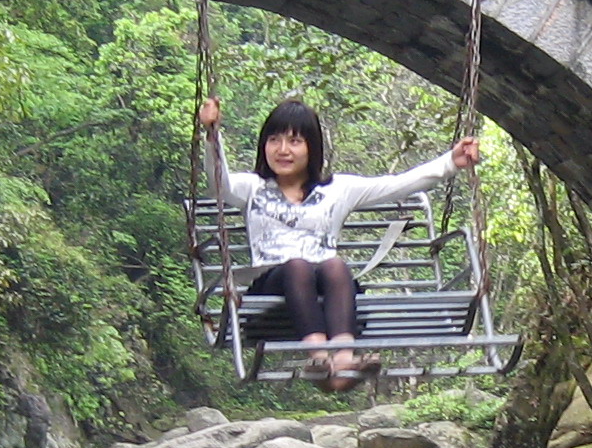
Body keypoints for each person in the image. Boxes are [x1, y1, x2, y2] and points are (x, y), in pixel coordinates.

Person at [197, 95, 481, 390]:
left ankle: (343, 360)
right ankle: (319, 358)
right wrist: (212, 134)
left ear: (312, 147)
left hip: (326, 299)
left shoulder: (338, 190)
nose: (283, 150)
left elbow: (398, 184)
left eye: (294, 141)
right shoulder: (252, 187)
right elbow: (219, 183)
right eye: (274, 140)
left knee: (333, 265)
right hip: (270, 299)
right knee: (297, 266)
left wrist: (451, 162)